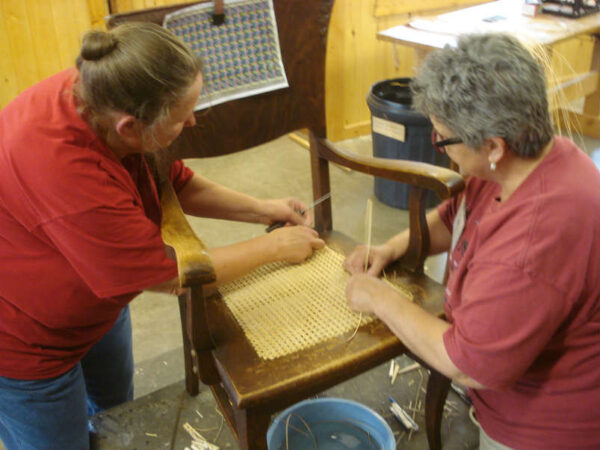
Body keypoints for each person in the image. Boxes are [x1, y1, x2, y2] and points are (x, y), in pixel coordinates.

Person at [0, 22, 324, 449]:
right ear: (130, 128)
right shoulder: (67, 170)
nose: (192, 121)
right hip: (28, 339)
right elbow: (169, 275)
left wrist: (264, 209)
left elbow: (171, 179)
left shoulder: (104, 84)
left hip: (96, 296)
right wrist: (272, 247)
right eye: (181, 116)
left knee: (117, 415)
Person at [344, 33, 599, 450]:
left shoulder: (533, 242)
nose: (440, 149)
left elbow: (467, 365)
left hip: (545, 428)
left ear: (495, 146)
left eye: (443, 139)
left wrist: (380, 299)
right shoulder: (539, 157)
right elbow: (454, 217)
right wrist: (393, 247)